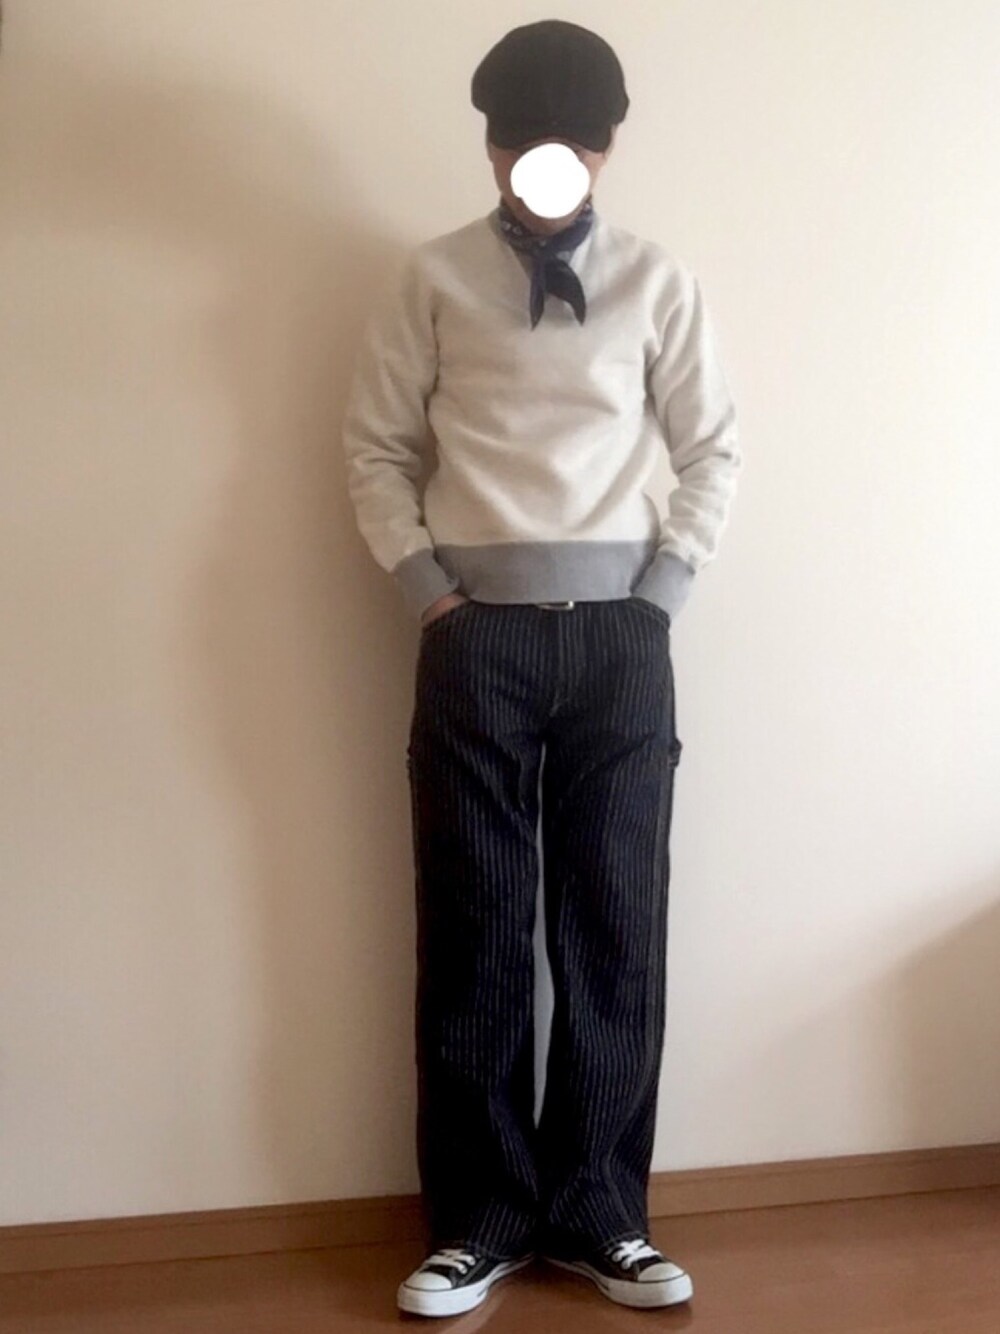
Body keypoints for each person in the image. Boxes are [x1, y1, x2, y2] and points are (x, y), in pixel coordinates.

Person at [341, 19, 742, 1319]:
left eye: (571, 142)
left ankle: (602, 1214)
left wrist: (660, 599)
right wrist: (432, 595)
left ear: (607, 146)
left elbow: (713, 447)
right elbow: (376, 447)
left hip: (621, 641)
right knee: (476, 927)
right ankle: (480, 1221)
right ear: (492, 144)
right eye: (520, 141)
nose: (544, 162)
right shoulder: (434, 277)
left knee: (615, 927)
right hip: (479, 642)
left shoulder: (655, 281)